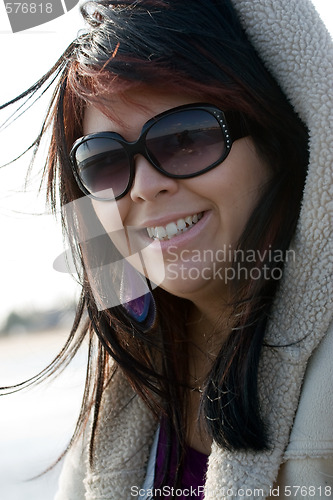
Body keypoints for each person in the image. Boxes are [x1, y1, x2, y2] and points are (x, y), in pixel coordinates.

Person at [1, 0, 332, 498]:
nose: (144, 187)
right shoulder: (117, 403)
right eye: (105, 162)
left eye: (185, 138)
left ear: (281, 141)